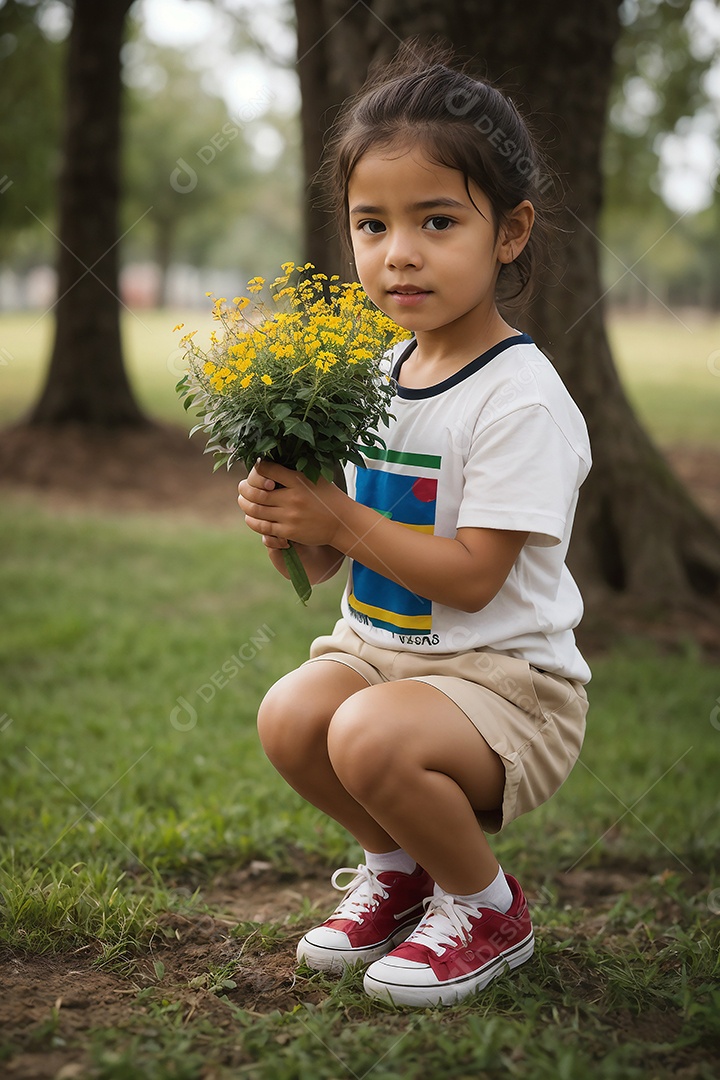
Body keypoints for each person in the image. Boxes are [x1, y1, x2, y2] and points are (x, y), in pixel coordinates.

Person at [236, 43, 591, 1008]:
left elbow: (474, 577)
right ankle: (400, 876)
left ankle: (486, 907)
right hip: (384, 655)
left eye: (437, 221)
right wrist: (292, 522)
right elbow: (335, 552)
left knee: (366, 735)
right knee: (293, 715)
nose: (399, 252)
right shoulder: (373, 378)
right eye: (372, 223)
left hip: (505, 685)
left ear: (510, 232)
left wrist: (339, 517)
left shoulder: (520, 400)